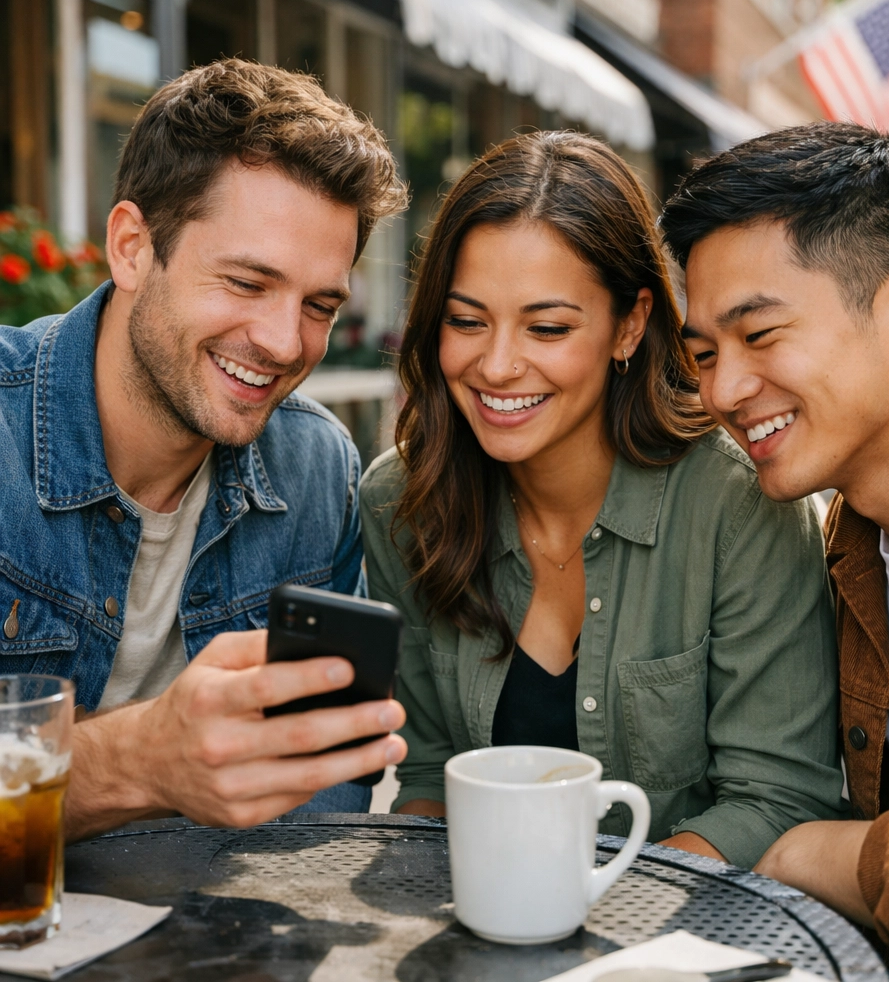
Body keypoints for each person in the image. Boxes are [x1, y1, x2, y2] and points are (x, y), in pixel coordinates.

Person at [359, 131, 845, 869]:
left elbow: (774, 798)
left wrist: (595, 914)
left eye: (547, 327)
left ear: (628, 325)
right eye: (466, 321)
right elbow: (429, 775)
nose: (495, 365)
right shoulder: (402, 500)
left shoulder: (738, 501)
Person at [0, 60, 409, 842]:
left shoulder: (318, 472)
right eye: (248, 283)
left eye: (320, 304)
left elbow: (315, 810)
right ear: (130, 247)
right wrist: (138, 761)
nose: (286, 343)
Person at [661, 123, 889, 980]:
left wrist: (817, 855)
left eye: (760, 335)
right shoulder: (848, 533)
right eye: (705, 353)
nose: (722, 390)